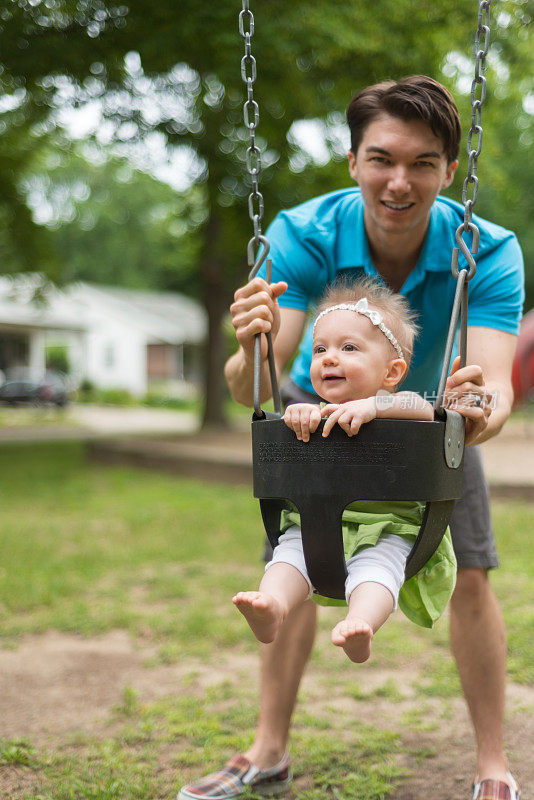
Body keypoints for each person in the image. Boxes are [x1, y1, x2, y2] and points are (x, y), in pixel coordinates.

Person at [178, 76, 524, 800]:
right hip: (317, 406)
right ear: (353, 160)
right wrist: (249, 349)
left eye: (423, 162)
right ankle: (268, 752)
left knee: (472, 573)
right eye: (381, 158)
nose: (399, 181)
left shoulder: (486, 252)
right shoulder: (302, 236)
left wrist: (473, 409)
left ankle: (493, 766)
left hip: (427, 414)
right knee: (294, 560)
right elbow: (258, 390)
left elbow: (496, 389)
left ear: (449, 170)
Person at [233, 277, 458, 663]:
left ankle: (361, 626)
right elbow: (294, 418)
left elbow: (427, 411)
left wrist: (376, 406)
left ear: (392, 371)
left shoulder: (397, 404)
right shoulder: (315, 413)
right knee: (287, 557)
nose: (328, 358)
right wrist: (297, 413)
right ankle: (271, 607)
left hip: (388, 528)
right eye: (320, 348)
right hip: (315, 526)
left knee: (377, 573)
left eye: (348, 347)